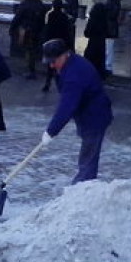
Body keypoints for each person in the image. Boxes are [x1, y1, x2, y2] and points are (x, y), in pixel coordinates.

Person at [40, 38, 113, 184]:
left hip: (95, 116)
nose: (52, 66)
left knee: (89, 155)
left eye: (54, 61)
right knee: (88, 151)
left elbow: (66, 106)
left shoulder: (74, 74)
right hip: (87, 114)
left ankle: (82, 188)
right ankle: (83, 185)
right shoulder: (69, 64)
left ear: (64, 55)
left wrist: (51, 131)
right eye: (49, 62)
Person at [10, 0, 46, 79]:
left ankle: (31, 70)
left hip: (27, 31)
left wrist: (12, 28)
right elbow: (42, 18)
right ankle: (31, 69)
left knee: (29, 51)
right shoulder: (40, 4)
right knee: (33, 50)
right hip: (37, 31)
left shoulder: (25, 4)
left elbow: (18, 17)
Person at [41, 0, 75, 92]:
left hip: (51, 43)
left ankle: (47, 83)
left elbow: (47, 30)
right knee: (61, 65)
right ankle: (61, 84)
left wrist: (44, 41)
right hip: (61, 44)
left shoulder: (50, 16)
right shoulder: (64, 17)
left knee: (50, 65)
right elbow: (67, 32)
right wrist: (69, 45)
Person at [83, 1, 108, 78]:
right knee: (100, 59)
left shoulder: (92, 19)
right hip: (101, 42)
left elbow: (87, 33)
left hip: (92, 42)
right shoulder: (104, 20)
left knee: (90, 58)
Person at [105, 0, 123, 75]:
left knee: (108, 47)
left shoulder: (110, 1)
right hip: (113, 26)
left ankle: (107, 65)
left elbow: (110, 14)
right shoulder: (117, 0)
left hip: (109, 26)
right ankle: (107, 65)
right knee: (110, 46)